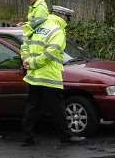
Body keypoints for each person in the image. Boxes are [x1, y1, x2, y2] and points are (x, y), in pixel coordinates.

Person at [20, 14, 85, 146]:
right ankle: (66, 136)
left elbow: (24, 46)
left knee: (32, 107)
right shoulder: (57, 31)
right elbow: (51, 53)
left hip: (34, 77)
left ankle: (28, 136)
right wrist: (33, 63)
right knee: (57, 108)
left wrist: (27, 60)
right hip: (49, 77)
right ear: (64, 18)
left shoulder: (37, 27)